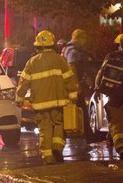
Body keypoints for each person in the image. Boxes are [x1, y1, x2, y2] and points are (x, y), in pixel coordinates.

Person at [16, 30, 78, 164]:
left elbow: (24, 82)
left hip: (40, 103)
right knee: (59, 125)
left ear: (38, 46)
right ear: (52, 45)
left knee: (45, 128)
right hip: (58, 101)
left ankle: (47, 156)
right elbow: (69, 79)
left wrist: (19, 99)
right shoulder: (60, 60)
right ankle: (57, 147)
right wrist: (73, 96)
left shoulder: (32, 62)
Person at [94, 33, 123, 160]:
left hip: (115, 96)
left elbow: (101, 73)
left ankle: (121, 148)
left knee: (116, 123)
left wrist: (97, 88)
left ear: (118, 45)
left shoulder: (111, 56)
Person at [62, 29, 94, 142]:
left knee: (79, 109)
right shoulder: (73, 50)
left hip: (69, 85)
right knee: (81, 108)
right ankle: (88, 135)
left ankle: (85, 133)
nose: (85, 41)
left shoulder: (69, 48)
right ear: (78, 38)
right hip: (73, 86)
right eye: (84, 38)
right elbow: (72, 67)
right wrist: (77, 85)